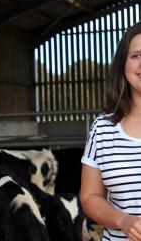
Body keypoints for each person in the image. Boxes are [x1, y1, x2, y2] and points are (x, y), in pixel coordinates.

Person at [81, 21, 141, 241]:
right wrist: (123, 221)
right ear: (123, 65)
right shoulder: (103, 128)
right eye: (136, 55)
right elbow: (90, 197)